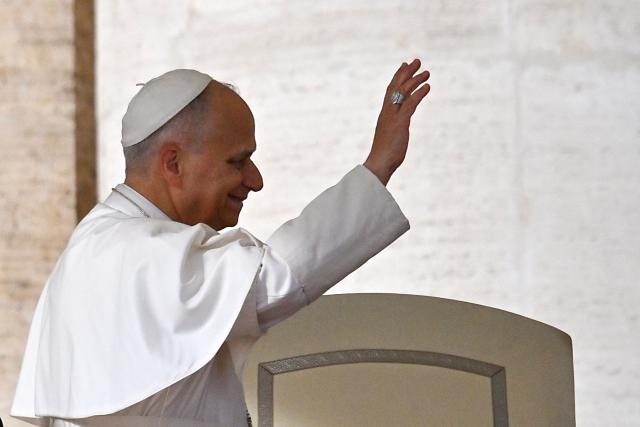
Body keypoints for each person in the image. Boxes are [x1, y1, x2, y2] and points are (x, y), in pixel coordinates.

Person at [11, 59, 431, 427]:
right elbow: (273, 281)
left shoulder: (116, 241)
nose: (256, 180)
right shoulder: (121, 250)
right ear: (173, 163)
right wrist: (379, 166)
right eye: (237, 161)